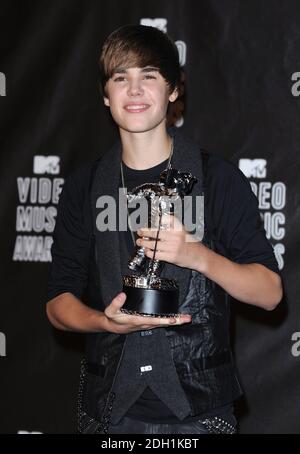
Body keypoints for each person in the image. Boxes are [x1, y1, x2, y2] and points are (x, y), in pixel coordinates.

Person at [46, 24, 283, 435]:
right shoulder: (84, 187)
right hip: (108, 413)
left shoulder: (218, 180)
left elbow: (269, 293)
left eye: (149, 76)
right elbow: (57, 304)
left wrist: (197, 256)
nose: (135, 90)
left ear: (173, 90)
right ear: (106, 95)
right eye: (121, 78)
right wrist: (105, 322)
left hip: (200, 412)